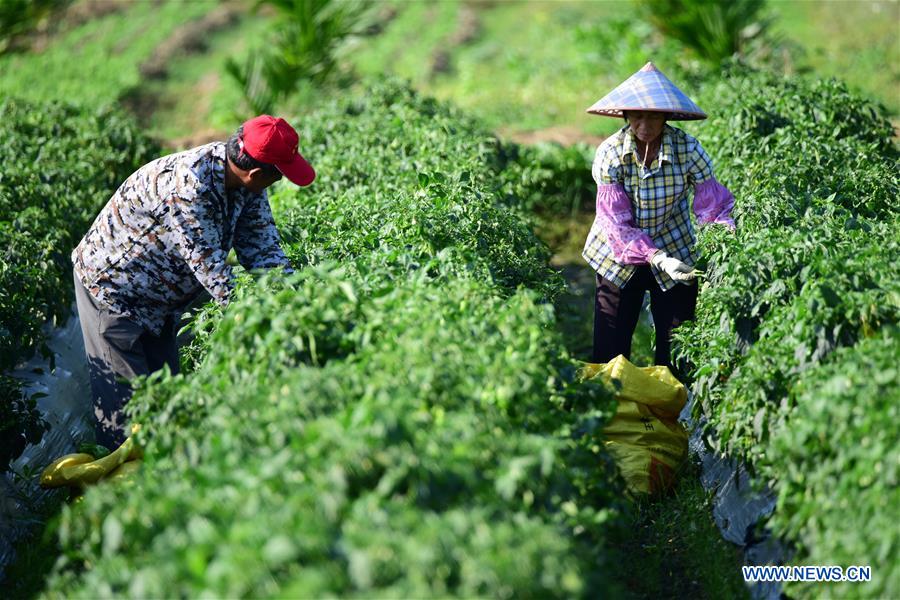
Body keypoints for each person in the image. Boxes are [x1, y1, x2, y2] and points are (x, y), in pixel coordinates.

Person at [72, 115, 315, 448]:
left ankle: (164, 473)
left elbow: (264, 251)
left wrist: (299, 303)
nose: (276, 184)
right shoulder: (189, 186)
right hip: (114, 291)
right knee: (127, 414)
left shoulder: (247, 186)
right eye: (278, 176)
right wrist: (266, 322)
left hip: (160, 298)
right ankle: (118, 490)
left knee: (167, 399)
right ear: (257, 173)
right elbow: (213, 271)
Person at [582, 62, 735, 368]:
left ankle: (674, 407)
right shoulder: (610, 153)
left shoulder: (688, 149)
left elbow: (711, 205)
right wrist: (656, 257)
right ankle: (612, 407)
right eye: (638, 115)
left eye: (653, 115)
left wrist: (723, 240)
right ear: (626, 116)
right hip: (616, 255)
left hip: (674, 244)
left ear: (666, 116)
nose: (645, 124)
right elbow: (617, 225)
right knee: (610, 348)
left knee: (678, 343)